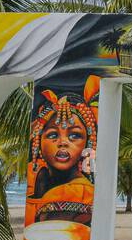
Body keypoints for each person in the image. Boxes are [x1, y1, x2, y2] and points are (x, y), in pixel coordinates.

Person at [25, 76, 98, 225]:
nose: (63, 143)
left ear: (87, 144)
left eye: (74, 135)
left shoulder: (79, 191)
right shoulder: (41, 180)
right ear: (38, 142)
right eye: (53, 134)